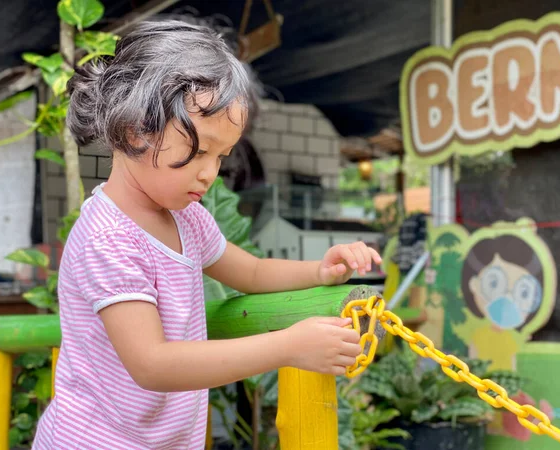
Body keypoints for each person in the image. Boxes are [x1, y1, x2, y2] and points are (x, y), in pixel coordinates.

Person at [33, 20, 382, 450]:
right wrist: (288, 347)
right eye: (198, 151)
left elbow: (251, 272)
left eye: (221, 156)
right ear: (132, 130)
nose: (210, 173)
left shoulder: (188, 218)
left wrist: (320, 271)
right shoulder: (109, 239)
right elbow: (152, 364)